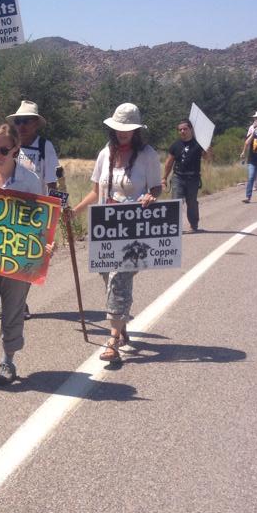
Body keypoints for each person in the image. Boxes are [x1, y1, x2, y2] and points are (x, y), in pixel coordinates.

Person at [71, 103, 162, 364]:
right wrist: (75, 212)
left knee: (119, 279)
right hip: (105, 228)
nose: (123, 133)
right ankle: (122, 329)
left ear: (136, 130)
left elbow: (156, 187)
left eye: (128, 129)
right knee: (107, 276)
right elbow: (95, 191)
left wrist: (149, 196)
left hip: (133, 230)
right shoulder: (105, 153)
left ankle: (112, 341)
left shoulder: (147, 155)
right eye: (119, 128)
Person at [0, 122, 53, 390]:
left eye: (4, 149)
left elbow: (40, 221)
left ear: (15, 148)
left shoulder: (30, 181)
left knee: (12, 311)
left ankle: (8, 362)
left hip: (17, 259)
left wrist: (45, 246)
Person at [5, 100, 60, 319]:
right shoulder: (10, 145)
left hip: (35, 212)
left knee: (28, 259)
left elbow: (53, 183)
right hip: (9, 210)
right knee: (8, 254)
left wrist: (57, 211)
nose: (22, 125)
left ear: (36, 124)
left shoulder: (44, 146)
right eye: (19, 121)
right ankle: (13, 302)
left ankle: (19, 303)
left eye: (27, 121)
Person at [162, 119, 212, 231]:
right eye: (180, 130)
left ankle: (193, 225)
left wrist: (208, 152)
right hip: (178, 177)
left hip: (193, 178)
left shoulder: (199, 144)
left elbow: (207, 158)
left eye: (185, 129)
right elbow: (169, 162)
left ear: (191, 129)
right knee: (176, 202)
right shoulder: (175, 145)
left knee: (192, 202)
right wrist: (164, 178)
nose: (182, 131)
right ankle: (174, 227)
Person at [241, 113, 257, 202]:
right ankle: (248, 197)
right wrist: (255, 131)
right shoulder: (251, 128)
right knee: (251, 177)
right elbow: (247, 142)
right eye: (256, 118)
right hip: (252, 158)